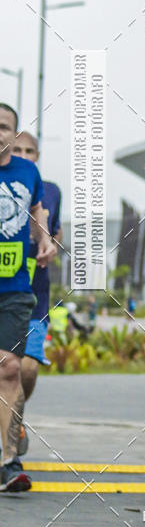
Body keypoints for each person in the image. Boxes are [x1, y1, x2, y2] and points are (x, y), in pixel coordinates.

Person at [0, 104, 56, 491]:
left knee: (10, 368)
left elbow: (35, 213)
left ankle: (6, 460)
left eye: (4, 127)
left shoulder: (29, 173)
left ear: (14, 134)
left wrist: (46, 239)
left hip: (16, 288)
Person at [11, 131, 62, 457]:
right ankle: (9, 451)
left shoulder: (51, 191)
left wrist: (52, 245)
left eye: (30, 150)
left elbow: (56, 231)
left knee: (26, 368)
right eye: (18, 149)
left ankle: (14, 421)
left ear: (38, 155)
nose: (24, 154)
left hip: (33, 296)